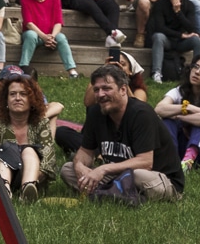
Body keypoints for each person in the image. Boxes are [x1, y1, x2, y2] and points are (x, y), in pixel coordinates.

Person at [61, 63, 183, 201]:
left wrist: (102, 169)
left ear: (123, 89)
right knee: (67, 169)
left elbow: (145, 163)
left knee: (138, 175)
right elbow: (85, 152)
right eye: (96, 90)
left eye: (106, 88)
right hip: (118, 175)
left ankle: (110, 193)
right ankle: (118, 194)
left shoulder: (141, 114)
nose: (100, 94)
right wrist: (79, 166)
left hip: (157, 178)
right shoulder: (96, 112)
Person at [0, 72, 58, 201]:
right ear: (6, 99)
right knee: (7, 151)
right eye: (12, 94)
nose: (17, 98)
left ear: (32, 99)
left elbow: (48, 160)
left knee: (29, 150)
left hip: (35, 176)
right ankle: (4, 190)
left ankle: (27, 189)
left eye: (23, 94)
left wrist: (33, 175)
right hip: (1, 174)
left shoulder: (41, 123)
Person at [153, 52, 200, 171]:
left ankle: (188, 161)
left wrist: (180, 116)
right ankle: (171, 160)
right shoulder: (179, 91)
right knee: (168, 119)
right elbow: (159, 109)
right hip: (181, 147)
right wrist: (187, 108)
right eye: (195, 66)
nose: (197, 72)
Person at [17, 0, 78, 77]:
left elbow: (58, 22)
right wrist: (44, 37)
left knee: (62, 37)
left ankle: (72, 71)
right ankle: (23, 68)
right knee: (31, 35)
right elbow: (29, 23)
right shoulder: (25, 0)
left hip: (51, 35)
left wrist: (52, 37)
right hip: (34, 35)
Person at [148, 0, 200, 83]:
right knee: (158, 36)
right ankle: (156, 73)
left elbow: (191, 28)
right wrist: (181, 35)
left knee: (197, 40)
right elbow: (159, 27)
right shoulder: (160, 4)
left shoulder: (189, 5)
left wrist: (178, 12)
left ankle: (198, 72)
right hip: (167, 40)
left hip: (181, 43)